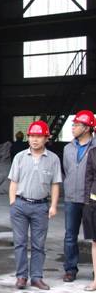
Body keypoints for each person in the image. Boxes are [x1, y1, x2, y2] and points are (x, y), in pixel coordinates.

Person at [9, 120, 61, 290]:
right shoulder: (20, 157)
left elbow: (55, 184)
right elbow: (13, 182)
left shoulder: (53, 159)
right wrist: (12, 203)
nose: (34, 139)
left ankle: (36, 277)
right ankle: (21, 277)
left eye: (38, 136)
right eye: (32, 136)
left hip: (41, 207)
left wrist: (53, 206)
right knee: (20, 243)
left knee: (39, 244)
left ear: (46, 138)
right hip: (20, 205)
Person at [62, 110, 95, 282]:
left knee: (95, 237)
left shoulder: (95, 147)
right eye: (73, 124)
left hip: (91, 199)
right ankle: (70, 269)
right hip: (71, 198)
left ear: (87, 128)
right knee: (70, 236)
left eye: (77, 125)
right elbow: (67, 170)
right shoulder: (68, 148)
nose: (73, 127)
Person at [84, 141, 96, 291]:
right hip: (94, 202)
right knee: (95, 242)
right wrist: (87, 202)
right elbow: (88, 178)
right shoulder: (93, 153)